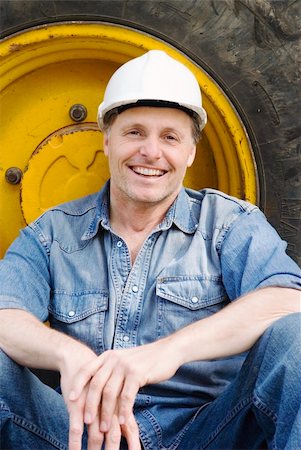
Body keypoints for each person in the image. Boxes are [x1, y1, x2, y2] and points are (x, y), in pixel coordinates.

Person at [0, 50, 300, 450]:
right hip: (76, 436)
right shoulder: (53, 233)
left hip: (204, 436)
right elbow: (5, 312)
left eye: (170, 137)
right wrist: (65, 353)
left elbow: (286, 301)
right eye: (135, 132)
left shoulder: (227, 224)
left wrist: (166, 353)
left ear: (190, 153)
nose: (151, 153)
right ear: (107, 140)